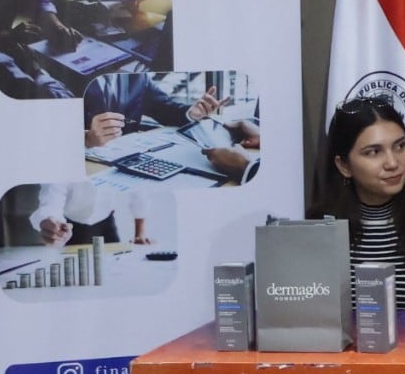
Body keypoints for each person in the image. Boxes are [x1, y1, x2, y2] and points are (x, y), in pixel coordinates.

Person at [313, 96, 405, 312]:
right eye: (374, 152)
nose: (393, 163)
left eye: (400, 146)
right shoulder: (317, 231)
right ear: (344, 165)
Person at [84, 73, 260, 176]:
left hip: (125, 163)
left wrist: (191, 114)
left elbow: (164, 107)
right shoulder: (72, 78)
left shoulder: (136, 77)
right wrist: (85, 138)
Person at [29, 180, 151, 246]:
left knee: (116, 269)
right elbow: (53, 195)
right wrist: (50, 219)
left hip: (107, 224)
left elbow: (138, 191)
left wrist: (140, 233)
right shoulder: (61, 157)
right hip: (71, 228)